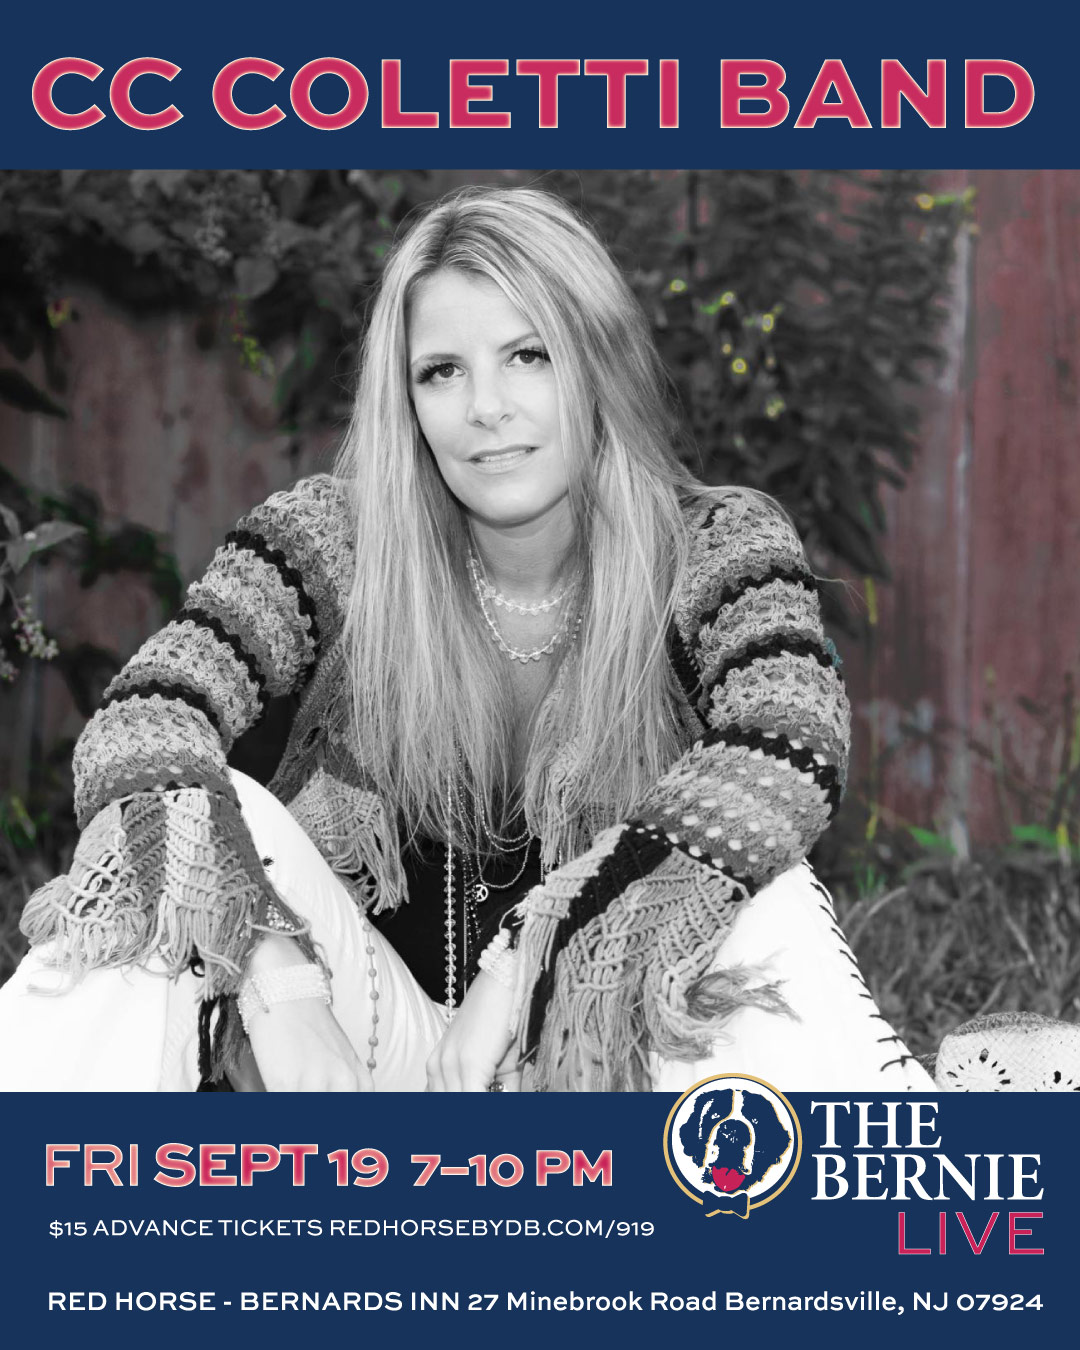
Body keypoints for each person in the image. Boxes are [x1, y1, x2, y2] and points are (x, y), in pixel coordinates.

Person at [0, 186, 932, 1093]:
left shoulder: (716, 547)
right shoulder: (329, 541)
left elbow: (789, 738)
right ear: (405, 399)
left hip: (601, 1060)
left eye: (528, 355)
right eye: (441, 371)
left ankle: (886, 1181)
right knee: (169, 843)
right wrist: (272, 970)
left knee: (763, 887)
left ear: (598, 360)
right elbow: (142, 723)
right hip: (366, 1056)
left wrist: (536, 950)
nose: (485, 407)